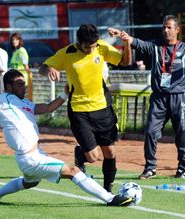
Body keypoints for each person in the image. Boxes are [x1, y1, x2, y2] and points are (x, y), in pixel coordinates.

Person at [0, 69, 133, 207]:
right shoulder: (1, 100)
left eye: (24, 84)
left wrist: (64, 94)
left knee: (29, 182)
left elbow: (47, 108)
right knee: (73, 170)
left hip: (33, 155)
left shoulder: (25, 102)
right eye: (19, 84)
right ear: (8, 86)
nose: (23, 87)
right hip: (30, 158)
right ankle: (110, 199)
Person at [108, 15, 185, 179]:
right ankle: (150, 168)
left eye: (169, 27)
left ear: (177, 30)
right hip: (159, 97)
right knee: (151, 132)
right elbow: (137, 42)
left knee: (182, 134)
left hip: (179, 97)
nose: (166, 30)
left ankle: (182, 168)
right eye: (164, 27)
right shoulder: (155, 46)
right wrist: (122, 35)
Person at [39, 24, 132, 192]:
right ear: (79, 42)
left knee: (110, 152)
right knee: (93, 157)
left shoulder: (101, 47)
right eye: (88, 47)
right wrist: (50, 69)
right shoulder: (67, 53)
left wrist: (126, 44)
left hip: (102, 108)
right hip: (79, 110)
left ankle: (107, 190)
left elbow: (125, 61)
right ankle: (80, 154)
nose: (91, 50)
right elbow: (42, 67)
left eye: (94, 46)